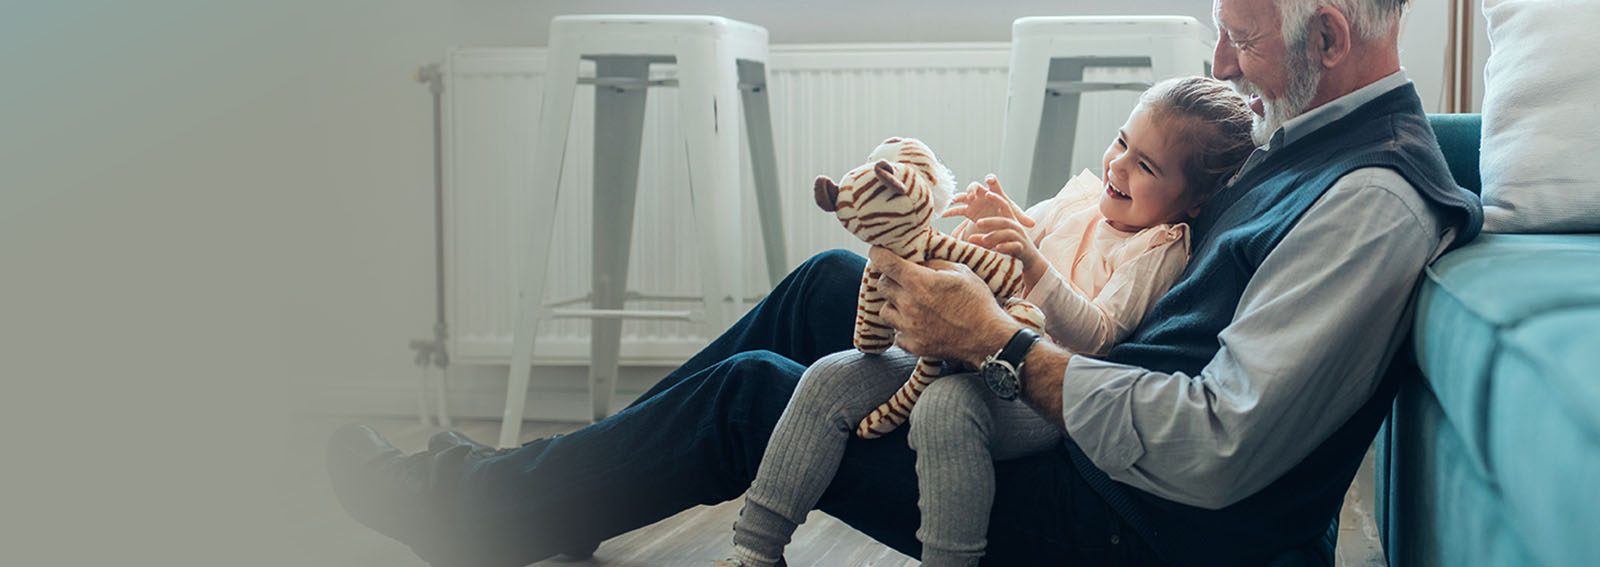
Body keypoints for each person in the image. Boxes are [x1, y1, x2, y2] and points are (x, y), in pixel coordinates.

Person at [325, 0, 1483, 564]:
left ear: (1327, 36)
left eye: (1236, 38)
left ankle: (468, 511)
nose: (1217, 62)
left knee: (764, 397)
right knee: (834, 280)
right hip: (1096, 427)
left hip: (1135, 523)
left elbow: (1215, 447)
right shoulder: (1306, 135)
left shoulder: (1370, 202)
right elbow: (1155, 308)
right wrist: (1014, 284)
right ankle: (555, 494)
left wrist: (1004, 346)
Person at [718, 76, 1254, 567]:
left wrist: (1033, 262)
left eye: (1146, 166)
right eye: (1122, 143)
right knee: (830, 376)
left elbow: (1100, 336)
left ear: (1197, 198)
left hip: (1039, 392)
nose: (1118, 166)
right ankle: (755, 551)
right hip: (966, 345)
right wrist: (998, 214)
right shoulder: (1086, 198)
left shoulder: (1157, 247)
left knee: (946, 409)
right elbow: (1026, 231)